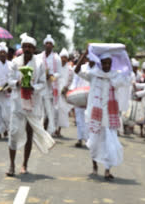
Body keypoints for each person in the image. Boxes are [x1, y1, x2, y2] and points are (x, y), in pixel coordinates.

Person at [75, 48, 129, 181]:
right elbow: (77, 71)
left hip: (110, 115)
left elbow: (128, 77)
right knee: (94, 143)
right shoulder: (94, 74)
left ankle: (107, 169)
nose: (106, 66)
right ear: (100, 63)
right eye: (104, 63)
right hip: (95, 114)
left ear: (111, 64)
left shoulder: (115, 76)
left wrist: (125, 58)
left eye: (108, 63)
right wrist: (84, 55)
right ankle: (94, 167)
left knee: (109, 142)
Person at [6, 34, 55, 176]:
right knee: (14, 133)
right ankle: (11, 165)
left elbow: (42, 83)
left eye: (30, 47)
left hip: (33, 103)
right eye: (25, 46)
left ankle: (24, 165)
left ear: (34, 49)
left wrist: (33, 87)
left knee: (29, 133)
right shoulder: (15, 62)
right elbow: (9, 80)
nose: (27, 49)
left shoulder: (39, 63)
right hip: (17, 103)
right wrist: (17, 83)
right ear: (22, 48)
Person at [69, 54, 94, 147]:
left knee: (89, 120)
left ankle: (88, 140)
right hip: (79, 96)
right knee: (79, 120)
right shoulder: (81, 68)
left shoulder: (97, 70)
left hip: (91, 98)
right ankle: (79, 139)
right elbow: (75, 81)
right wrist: (72, 91)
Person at [39, 34, 61, 136]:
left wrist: (51, 76)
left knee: (49, 111)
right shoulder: (39, 57)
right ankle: (40, 130)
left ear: (53, 46)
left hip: (51, 87)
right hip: (40, 87)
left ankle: (48, 130)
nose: (48, 45)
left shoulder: (57, 58)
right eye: (47, 43)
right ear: (44, 45)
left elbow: (59, 73)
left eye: (50, 44)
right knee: (40, 109)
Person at [54, 48, 74, 137]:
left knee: (62, 112)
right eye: (62, 57)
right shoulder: (56, 67)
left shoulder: (70, 69)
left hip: (63, 94)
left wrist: (66, 88)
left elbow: (71, 80)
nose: (64, 59)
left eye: (65, 57)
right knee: (54, 111)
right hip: (55, 92)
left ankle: (59, 130)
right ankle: (52, 129)